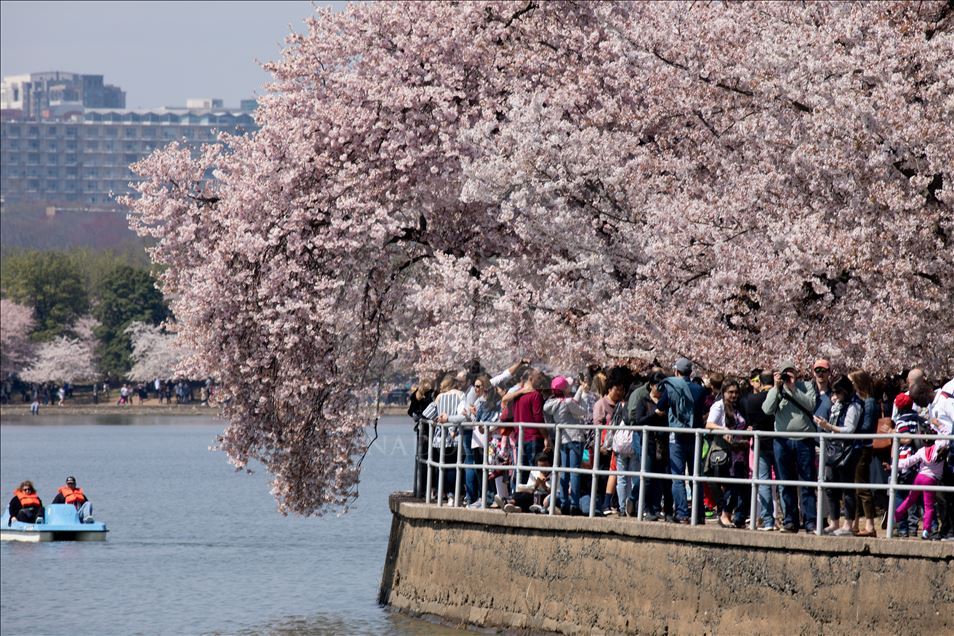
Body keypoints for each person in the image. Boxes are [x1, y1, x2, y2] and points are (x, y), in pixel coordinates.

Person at [762, 359, 818, 533]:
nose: (788, 376)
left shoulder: (806, 386)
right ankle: (790, 521)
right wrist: (777, 387)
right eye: (785, 373)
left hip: (804, 439)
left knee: (807, 482)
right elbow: (767, 409)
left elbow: (810, 404)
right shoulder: (776, 390)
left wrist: (793, 388)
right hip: (782, 440)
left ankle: (810, 522)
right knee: (785, 482)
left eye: (790, 372)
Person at [656, 357, 706, 524]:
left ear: (676, 371)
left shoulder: (671, 388)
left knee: (678, 476)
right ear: (690, 373)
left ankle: (682, 513)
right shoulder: (699, 389)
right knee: (695, 475)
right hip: (695, 436)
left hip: (676, 436)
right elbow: (702, 410)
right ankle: (699, 514)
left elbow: (660, 408)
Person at [815, 375, 864, 536]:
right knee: (830, 486)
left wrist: (828, 426)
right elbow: (832, 424)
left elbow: (849, 429)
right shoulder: (838, 405)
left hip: (847, 450)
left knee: (847, 488)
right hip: (832, 448)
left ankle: (848, 524)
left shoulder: (855, 406)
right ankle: (834, 522)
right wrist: (825, 424)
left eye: (838, 393)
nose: (835, 396)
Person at [704, 378, 751, 528]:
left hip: (739, 452)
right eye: (730, 392)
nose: (734, 395)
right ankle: (724, 515)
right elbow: (709, 424)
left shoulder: (739, 407)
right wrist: (722, 429)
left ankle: (735, 516)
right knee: (728, 485)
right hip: (724, 451)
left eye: (736, 392)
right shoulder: (718, 406)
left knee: (739, 486)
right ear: (724, 392)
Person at [544, 375, 588, 515]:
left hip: (562, 439)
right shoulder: (567, 402)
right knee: (575, 471)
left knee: (564, 471)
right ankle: (574, 504)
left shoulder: (550, 404)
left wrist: (580, 390)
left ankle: (564, 502)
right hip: (575, 438)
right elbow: (582, 411)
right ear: (564, 389)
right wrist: (585, 393)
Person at [886, 442, 947, 540]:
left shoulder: (922, 450)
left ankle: (894, 517)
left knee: (909, 500)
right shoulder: (941, 447)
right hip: (930, 479)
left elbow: (908, 462)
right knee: (929, 507)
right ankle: (926, 531)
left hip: (919, 477)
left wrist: (892, 466)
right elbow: (946, 434)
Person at [742, 370, 778, 530]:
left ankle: (768, 520)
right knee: (783, 481)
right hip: (778, 443)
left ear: (761, 382)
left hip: (760, 442)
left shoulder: (752, 399)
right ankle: (789, 520)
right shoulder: (779, 397)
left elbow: (750, 421)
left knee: (763, 481)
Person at [848, 369, 878, 536]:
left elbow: (867, 427)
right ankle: (856, 523)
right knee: (855, 486)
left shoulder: (868, 402)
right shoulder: (857, 401)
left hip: (863, 447)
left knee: (862, 485)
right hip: (856, 447)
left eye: (852, 382)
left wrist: (851, 428)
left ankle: (870, 525)